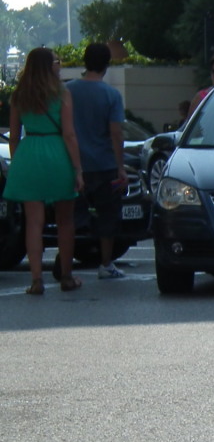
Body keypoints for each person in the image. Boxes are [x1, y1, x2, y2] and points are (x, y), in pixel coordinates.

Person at [3, 47, 84, 294]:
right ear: (49, 66)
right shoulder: (61, 93)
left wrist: (18, 163)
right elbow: (69, 133)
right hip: (57, 153)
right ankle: (67, 277)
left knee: (33, 223)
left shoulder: (19, 95)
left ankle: (36, 279)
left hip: (29, 154)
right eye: (55, 62)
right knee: (65, 221)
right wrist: (78, 169)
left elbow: (14, 135)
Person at [66, 42, 128, 280]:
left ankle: (67, 262)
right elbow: (116, 133)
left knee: (71, 216)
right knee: (107, 214)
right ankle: (105, 263)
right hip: (104, 164)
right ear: (106, 65)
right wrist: (121, 166)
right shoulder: (111, 95)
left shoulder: (68, 91)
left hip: (74, 163)